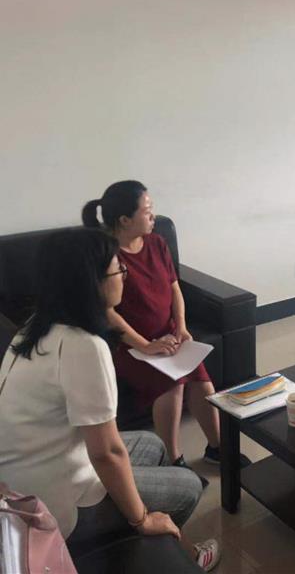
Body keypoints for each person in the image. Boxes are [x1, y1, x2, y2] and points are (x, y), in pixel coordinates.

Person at [0, 229, 220, 571]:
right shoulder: (82, 345)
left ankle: (157, 540)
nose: (124, 277)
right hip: (52, 499)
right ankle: (172, 552)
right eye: (119, 269)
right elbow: (105, 452)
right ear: (92, 282)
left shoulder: (34, 327)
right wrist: (141, 518)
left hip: (28, 470)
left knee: (152, 445)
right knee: (188, 486)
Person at [82, 182, 235, 468]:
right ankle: (173, 459)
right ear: (125, 220)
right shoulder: (107, 255)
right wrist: (146, 346)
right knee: (172, 384)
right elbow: (107, 312)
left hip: (168, 335)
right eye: (147, 210)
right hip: (129, 345)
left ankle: (217, 448)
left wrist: (181, 327)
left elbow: (174, 288)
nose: (153, 216)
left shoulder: (156, 243)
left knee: (202, 382)